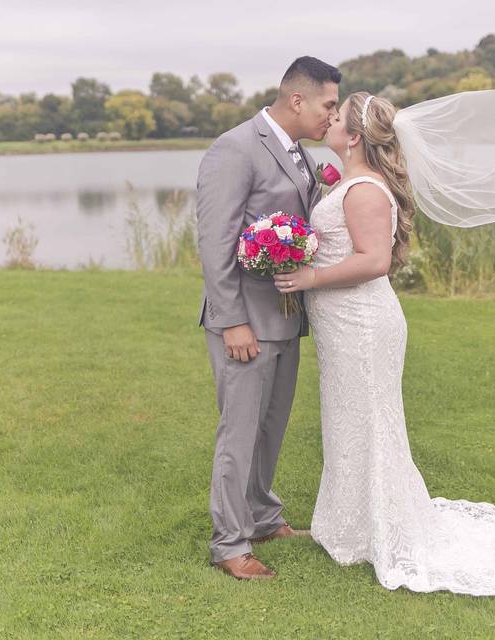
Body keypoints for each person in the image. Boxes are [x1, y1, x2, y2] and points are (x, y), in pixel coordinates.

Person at [273, 92, 495, 595]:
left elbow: (375, 261)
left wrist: (309, 276)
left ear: (353, 137)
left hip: (362, 323)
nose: (327, 120)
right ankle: (350, 525)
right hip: (345, 326)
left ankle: (379, 531)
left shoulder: (366, 190)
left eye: (337, 116)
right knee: (350, 420)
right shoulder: (349, 181)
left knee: (369, 421)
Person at [196, 56, 340, 580]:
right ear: (296, 100)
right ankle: (230, 545)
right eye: (328, 105)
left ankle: (261, 515)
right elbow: (215, 242)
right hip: (246, 322)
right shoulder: (233, 149)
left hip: (285, 315)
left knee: (271, 426)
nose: (332, 116)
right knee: (240, 431)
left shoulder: (299, 152)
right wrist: (232, 319)